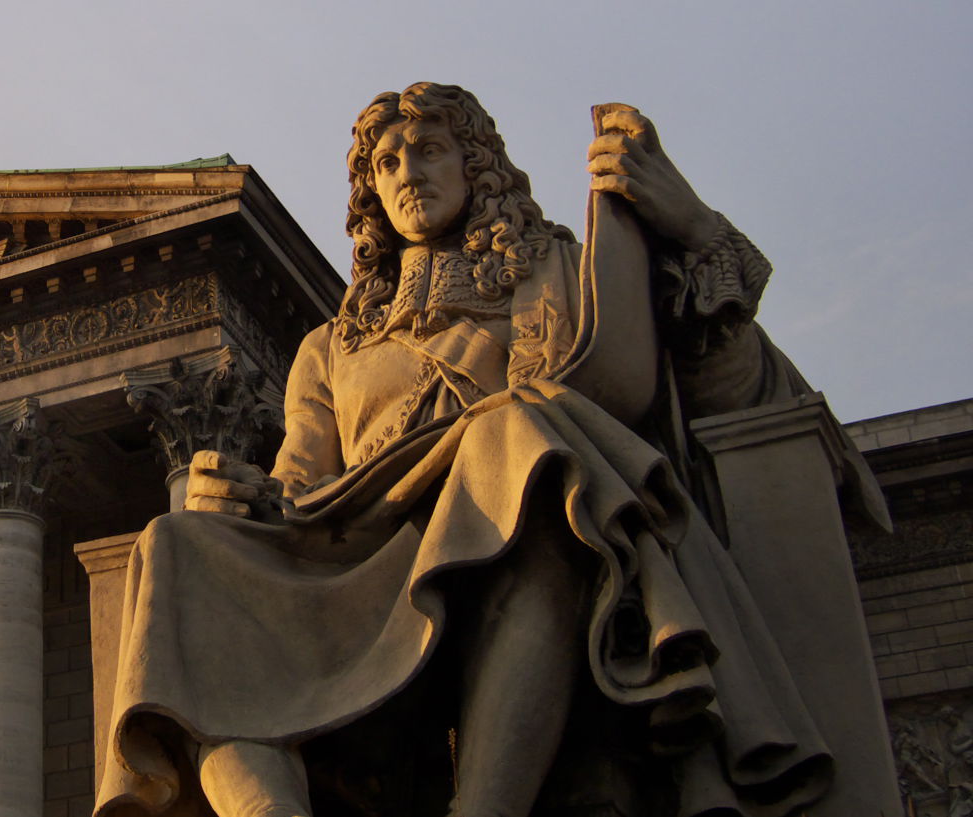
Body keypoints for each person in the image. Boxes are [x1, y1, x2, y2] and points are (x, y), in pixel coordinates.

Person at [95, 84, 842, 817]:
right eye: (386, 164)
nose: (408, 173)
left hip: (522, 541)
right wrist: (238, 492)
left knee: (516, 439)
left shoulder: (557, 273)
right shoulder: (332, 345)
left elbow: (719, 376)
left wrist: (692, 226)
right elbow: (299, 487)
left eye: (428, 149)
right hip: (368, 566)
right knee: (175, 544)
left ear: (474, 162)